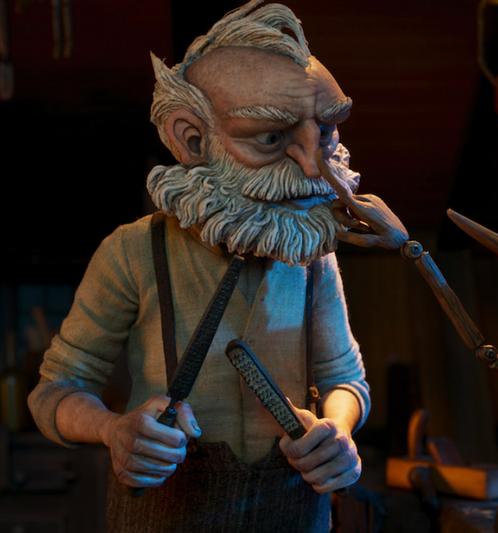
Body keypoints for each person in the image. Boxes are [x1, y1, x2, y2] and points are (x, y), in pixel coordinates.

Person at [27, 3, 373, 531]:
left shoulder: (312, 255)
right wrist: (115, 431)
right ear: (192, 139)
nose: (312, 166)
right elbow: (55, 391)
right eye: (270, 138)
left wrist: (339, 431)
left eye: (325, 133)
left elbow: (345, 380)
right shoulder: (133, 252)